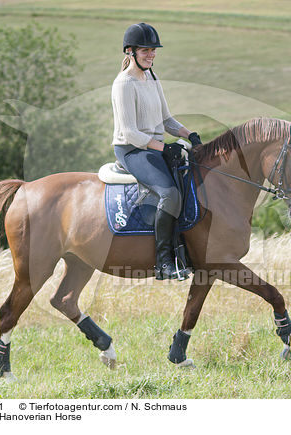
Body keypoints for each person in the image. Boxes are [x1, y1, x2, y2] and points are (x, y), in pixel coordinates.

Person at [111, 22, 202, 280]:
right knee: (170, 194)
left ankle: (183, 250)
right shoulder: (124, 84)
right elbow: (130, 133)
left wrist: (189, 135)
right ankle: (163, 262)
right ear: (130, 52)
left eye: (154, 50)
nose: (151, 54)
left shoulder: (151, 76)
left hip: (152, 148)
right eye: (145, 50)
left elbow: (166, 119)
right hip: (131, 150)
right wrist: (164, 147)